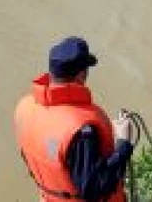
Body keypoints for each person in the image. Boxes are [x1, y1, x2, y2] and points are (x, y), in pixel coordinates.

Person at [14, 36, 133, 202]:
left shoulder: (25, 108)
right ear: (81, 74)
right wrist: (123, 143)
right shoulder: (82, 130)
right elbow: (95, 189)